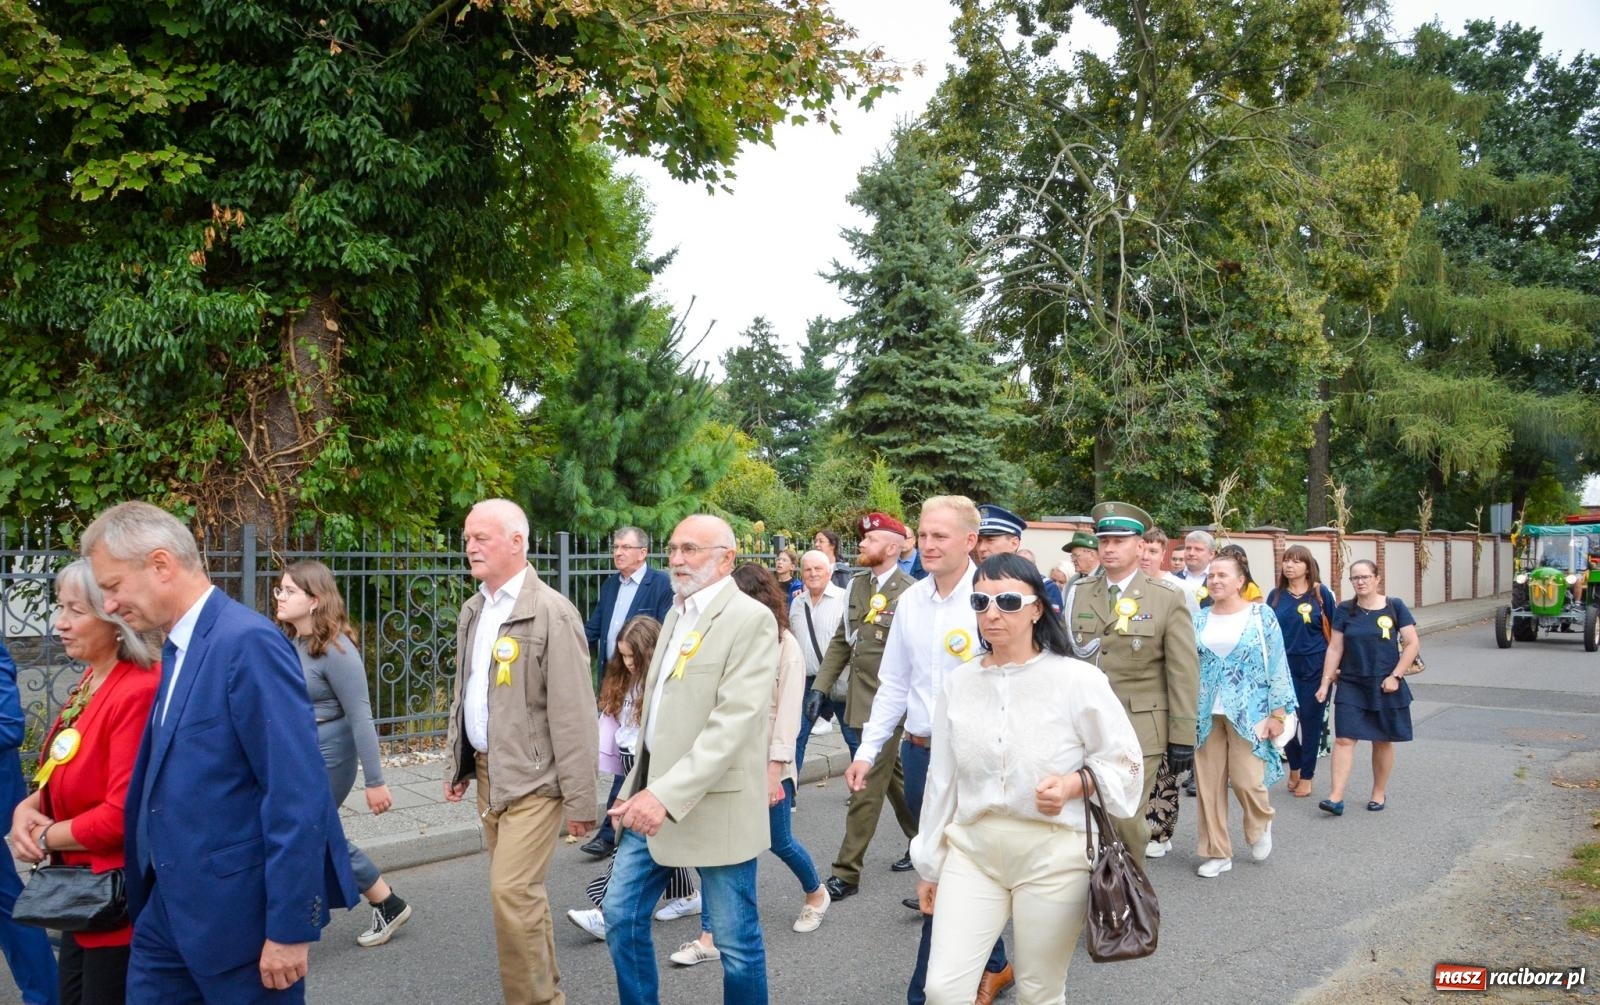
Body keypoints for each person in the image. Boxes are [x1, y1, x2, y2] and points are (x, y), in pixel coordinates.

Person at [82, 501, 357, 1002]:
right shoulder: (177, 647)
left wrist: (289, 929)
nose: (110, 606)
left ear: (161, 565)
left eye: (113, 586)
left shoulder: (245, 642)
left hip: (238, 927)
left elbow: (295, 793)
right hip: (165, 915)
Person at [914, 554, 1142, 1004]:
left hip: (1053, 853)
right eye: (981, 601)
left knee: (1039, 991)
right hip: (974, 852)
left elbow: (1124, 760)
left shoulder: (1076, 679)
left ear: (1037, 607)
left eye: (1007, 601)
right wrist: (928, 863)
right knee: (943, 989)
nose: (992, 613)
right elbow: (942, 782)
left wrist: (1074, 784)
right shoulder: (959, 684)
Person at [601, 515, 780, 1005]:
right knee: (619, 915)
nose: (677, 559)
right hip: (651, 798)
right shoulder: (676, 613)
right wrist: (630, 790)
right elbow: (656, 712)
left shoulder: (750, 620)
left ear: (727, 557)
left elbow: (733, 724)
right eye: (674, 548)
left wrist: (663, 794)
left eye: (691, 549)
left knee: (735, 944)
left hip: (715, 807)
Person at [843, 496, 1012, 1005]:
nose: (929, 544)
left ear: (969, 541)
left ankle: (926, 992)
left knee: (949, 867)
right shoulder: (911, 601)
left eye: (941, 535)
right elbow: (894, 684)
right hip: (920, 756)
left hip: (977, 756)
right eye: (924, 534)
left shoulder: (994, 598)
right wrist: (867, 751)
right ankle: (997, 964)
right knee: (949, 865)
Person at [444, 498, 598, 1005]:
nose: (469, 547)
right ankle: (548, 993)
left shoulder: (552, 612)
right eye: (466, 538)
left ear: (516, 542)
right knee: (523, 896)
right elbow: (469, 693)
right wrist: (460, 762)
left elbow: (574, 714)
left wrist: (581, 801)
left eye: (480, 537)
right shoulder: (475, 609)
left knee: (510, 892)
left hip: (536, 779)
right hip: (491, 776)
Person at [670, 564, 830, 967]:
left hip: (766, 765)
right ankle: (709, 936)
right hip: (724, 763)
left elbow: (789, 715)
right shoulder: (721, 639)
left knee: (779, 841)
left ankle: (816, 893)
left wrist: (776, 770)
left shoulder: (784, 645)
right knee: (715, 847)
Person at [12, 561, 155, 1005]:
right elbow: (62, 767)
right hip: (80, 891)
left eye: (75, 610)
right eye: (60, 607)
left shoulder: (138, 688)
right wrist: (27, 808)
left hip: (114, 898)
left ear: (115, 618)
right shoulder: (92, 680)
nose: (60, 623)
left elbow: (120, 814)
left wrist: (44, 833)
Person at [273, 560, 411, 947]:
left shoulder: (336, 649)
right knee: (308, 831)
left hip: (329, 756)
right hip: (300, 754)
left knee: (310, 829)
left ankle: (384, 902)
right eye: (279, 589)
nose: (279, 597)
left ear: (314, 600)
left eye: (288, 591)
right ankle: (387, 902)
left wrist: (376, 781)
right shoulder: (291, 641)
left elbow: (361, 715)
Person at [1063, 501, 1199, 866]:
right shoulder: (1078, 592)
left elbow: (1183, 670)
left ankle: (1128, 893)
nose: (1108, 548)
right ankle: (1098, 892)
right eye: (1104, 540)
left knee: (1123, 817)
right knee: (1085, 815)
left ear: (1140, 547)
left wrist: (1183, 734)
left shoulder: (1166, 597)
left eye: (1119, 541)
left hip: (1141, 726)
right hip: (1086, 725)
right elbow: (1065, 659)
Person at [566, 616, 701, 942]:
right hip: (629, 761)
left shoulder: (663, 682)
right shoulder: (623, 678)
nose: (627, 663)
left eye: (633, 657)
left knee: (628, 835)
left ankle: (604, 910)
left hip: (652, 764)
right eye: (623, 656)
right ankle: (686, 896)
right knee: (653, 837)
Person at [808, 513, 918, 899]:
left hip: (892, 705)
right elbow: (842, 640)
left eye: (870, 542)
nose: (862, 547)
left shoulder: (911, 591)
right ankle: (922, 839)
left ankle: (846, 872)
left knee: (867, 784)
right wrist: (821, 687)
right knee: (895, 778)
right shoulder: (857, 586)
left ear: (891, 547)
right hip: (861, 698)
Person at [1191, 552, 1296, 879]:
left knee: (1248, 781)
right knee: (1208, 785)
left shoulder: (1260, 615)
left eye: (1223, 575)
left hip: (1250, 711)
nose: (1216, 580)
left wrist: (1278, 714)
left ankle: (1260, 823)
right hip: (1207, 711)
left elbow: (1277, 663)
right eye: (1211, 575)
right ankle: (1217, 852)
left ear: (1241, 581)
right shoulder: (1198, 618)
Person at [582, 526, 673, 860]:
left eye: (625, 547)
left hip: (643, 681)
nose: (618, 552)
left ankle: (610, 833)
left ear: (643, 552)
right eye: (615, 547)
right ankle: (623, 827)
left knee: (632, 755)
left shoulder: (660, 585)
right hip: (615, 679)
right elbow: (595, 627)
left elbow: (662, 633)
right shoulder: (611, 585)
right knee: (620, 751)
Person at [1315, 559, 1419, 816]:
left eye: (1365, 577)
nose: (1360, 582)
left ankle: (1378, 792)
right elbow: (1335, 647)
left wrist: (1395, 675)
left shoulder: (1394, 607)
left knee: (1381, 740)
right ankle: (1336, 796)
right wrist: (1325, 682)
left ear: (1377, 578)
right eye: (1355, 578)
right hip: (1351, 682)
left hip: (1385, 684)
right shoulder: (1345, 609)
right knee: (1343, 738)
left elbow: (1412, 644)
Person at [1267, 545, 1337, 799]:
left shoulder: (1320, 594)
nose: (1289, 565)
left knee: (1310, 725)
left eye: (1296, 561)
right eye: (1286, 561)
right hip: (1282, 669)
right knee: (1284, 724)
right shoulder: (1275, 596)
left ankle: (1307, 776)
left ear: (1308, 566)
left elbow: (1336, 633)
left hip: (1315, 668)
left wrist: (1332, 669)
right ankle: (1294, 766)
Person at [791, 549, 848, 776]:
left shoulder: (844, 599)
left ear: (829, 571)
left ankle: (861, 793)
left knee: (852, 736)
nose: (813, 573)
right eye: (807, 569)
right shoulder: (797, 603)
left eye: (818, 569)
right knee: (797, 735)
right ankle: (789, 792)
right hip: (807, 680)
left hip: (838, 677)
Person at [974, 505, 1062, 617]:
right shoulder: (971, 582)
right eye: (979, 541)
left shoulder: (1042, 586)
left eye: (990, 540)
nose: (981, 548)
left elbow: (1050, 631)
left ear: (1014, 544)